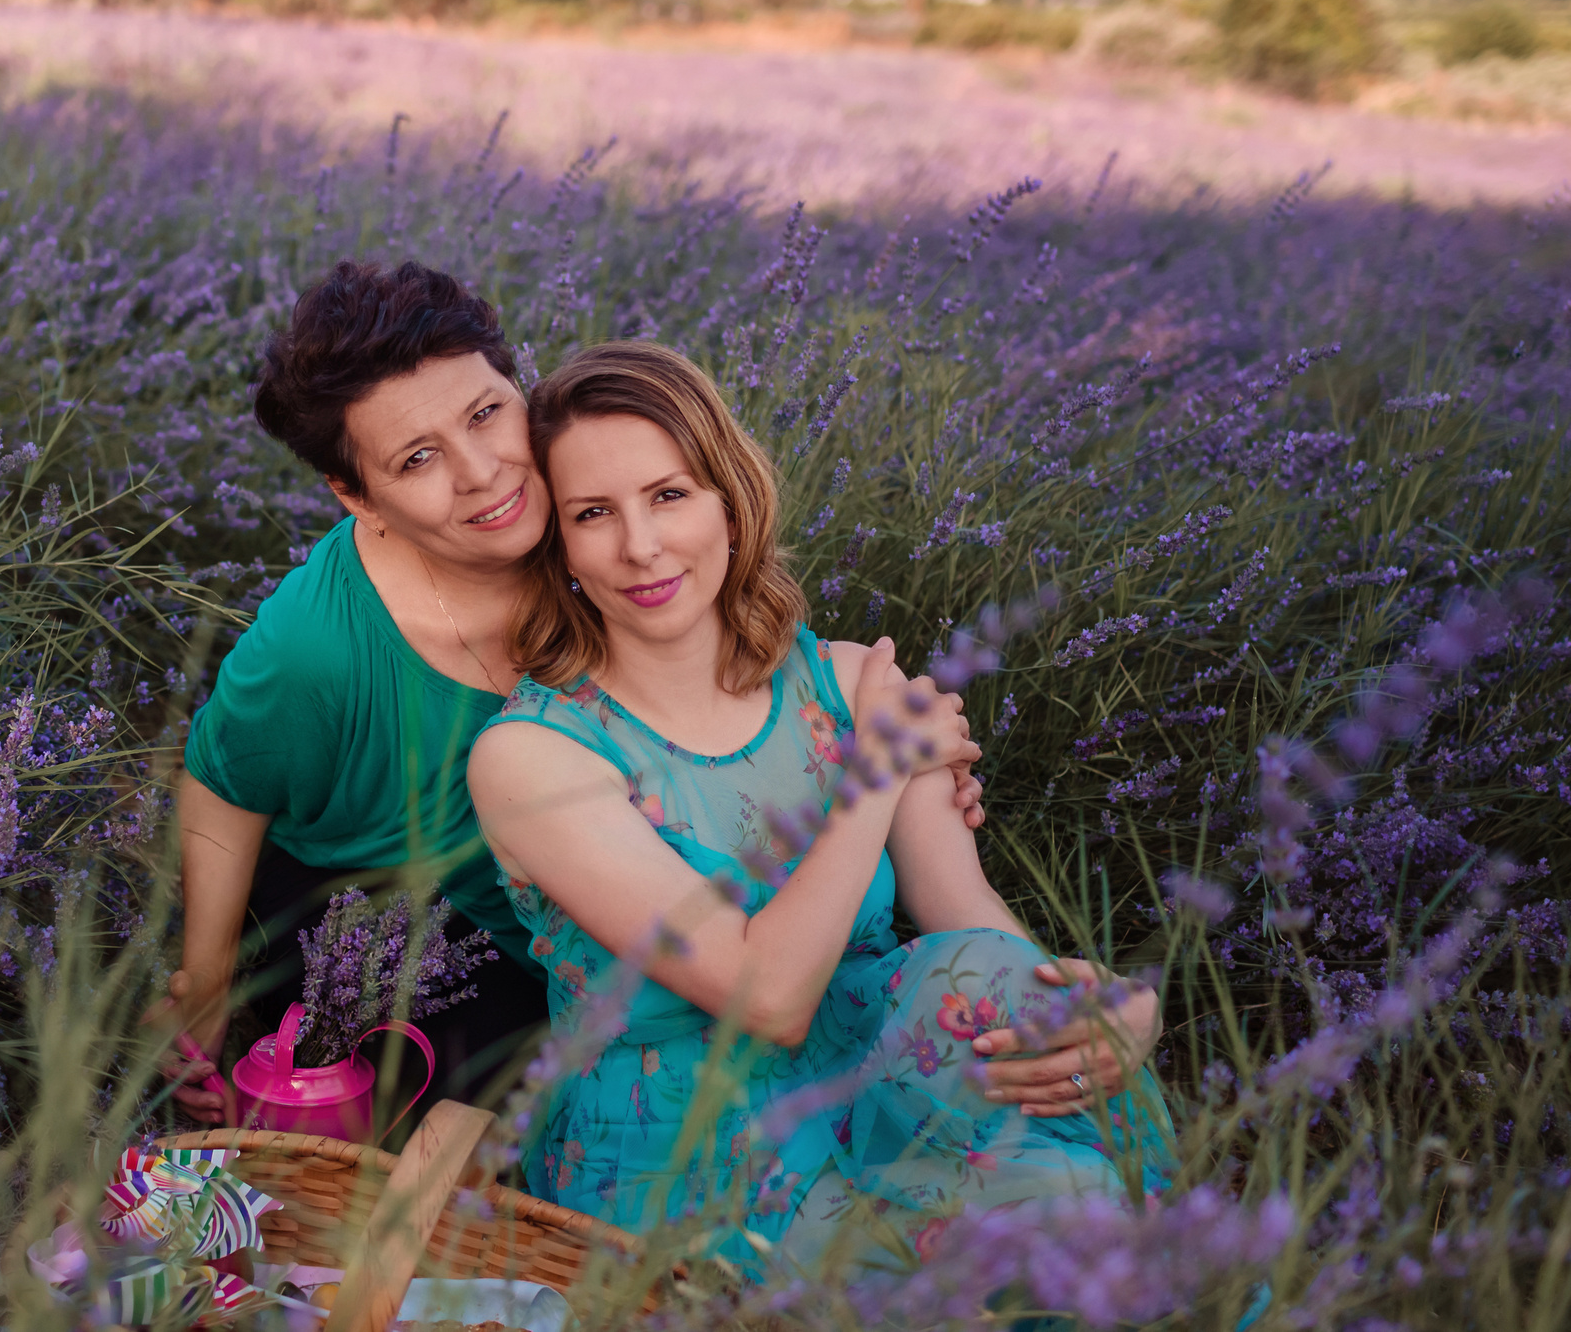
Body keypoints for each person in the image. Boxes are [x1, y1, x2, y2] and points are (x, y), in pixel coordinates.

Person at [160, 262, 991, 1119]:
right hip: (394, 899)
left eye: (486, 412)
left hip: (615, 890)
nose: (483, 472)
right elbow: (228, 783)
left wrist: (908, 763)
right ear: (355, 494)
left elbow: (758, 690)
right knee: (507, 1093)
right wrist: (206, 984)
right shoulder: (314, 645)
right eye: (417, 459)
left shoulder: (604, 524)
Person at [466, 341, 1172, 1273]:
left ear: (731, 498)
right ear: (559, 546)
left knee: (1066, 1176)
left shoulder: (848, 684)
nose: (640, 545)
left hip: (879, 1079)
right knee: (1006, 1248)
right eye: (594, 513)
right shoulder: (533, 756)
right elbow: (769, 999)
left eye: (670, 494)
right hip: (688, 1158)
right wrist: (876, 773)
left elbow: (975, 931)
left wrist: (1115, 1014)